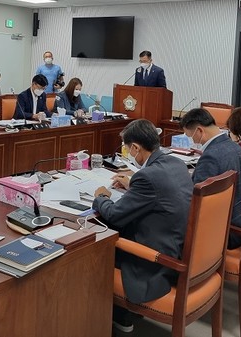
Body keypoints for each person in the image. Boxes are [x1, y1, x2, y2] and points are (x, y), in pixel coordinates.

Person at [93, 119, 192, 333]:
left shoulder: (147, 176)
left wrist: (101, 197)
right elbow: (159, 192)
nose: (128, 153)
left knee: (97, 249)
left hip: (156, 262)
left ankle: (115, 318)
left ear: (136, 148)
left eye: (128, 148)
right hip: (179, 246)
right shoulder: (175, 163)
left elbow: (115, 215)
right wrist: (133, 186)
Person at [180, 108, 241, 249]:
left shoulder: (210, 157)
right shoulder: (236, 148)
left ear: (199, 131)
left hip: (220, 233)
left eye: (190, 137)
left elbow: (196, 202)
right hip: (239, 223)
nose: (191, 141)